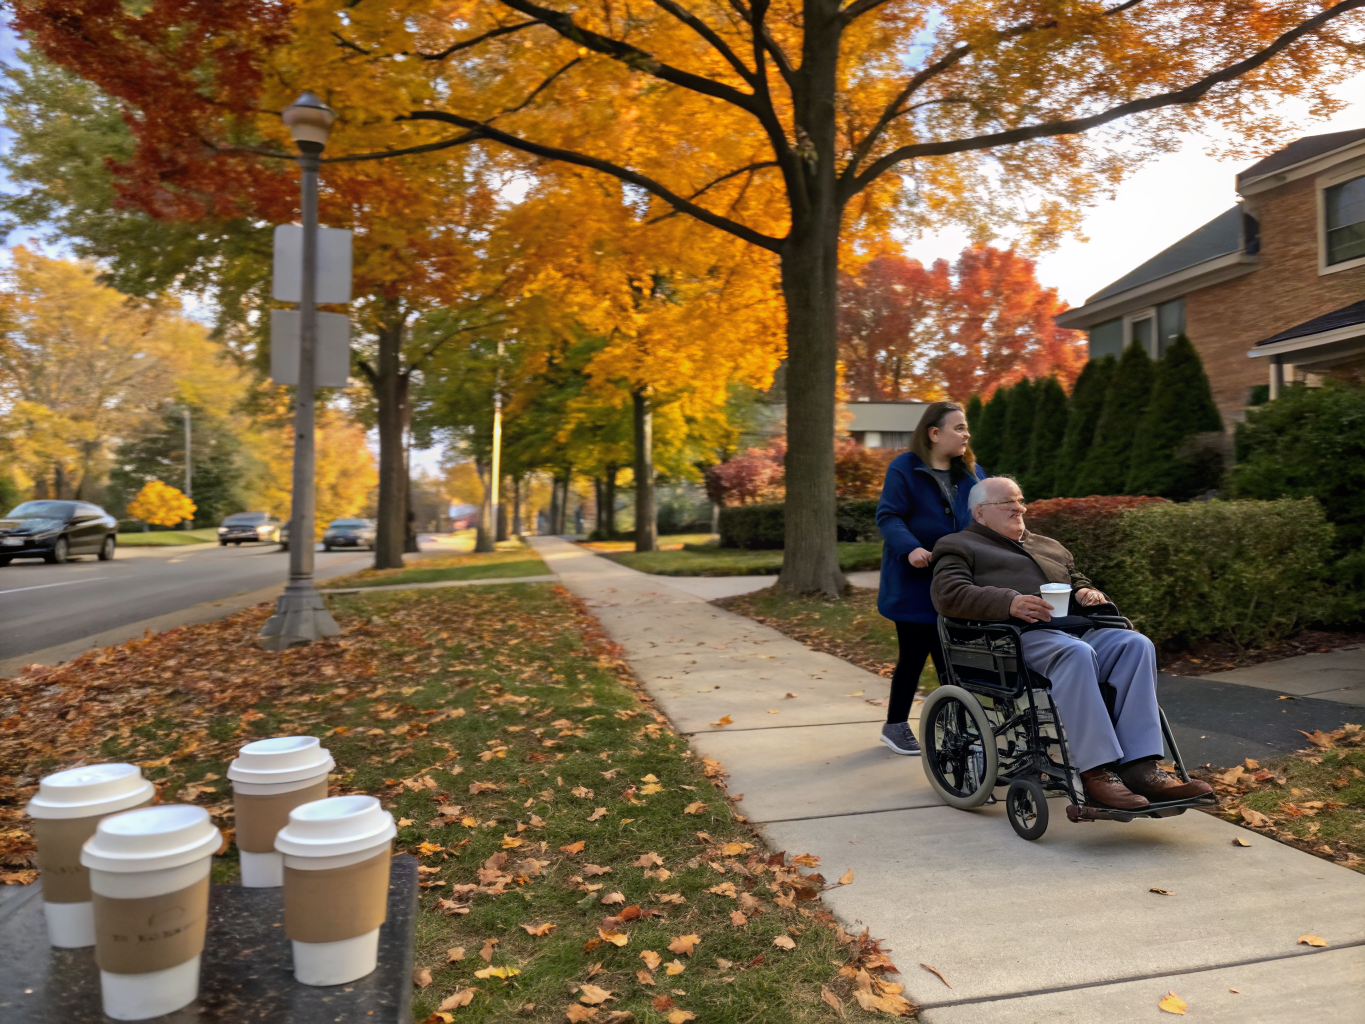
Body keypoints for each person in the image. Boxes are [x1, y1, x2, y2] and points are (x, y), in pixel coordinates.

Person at [929, 476, 1213, 810]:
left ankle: (1140, 768)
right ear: (980, 513)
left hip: (1074, 630)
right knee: (1076, 654)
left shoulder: (1049, 545)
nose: (1019, 508)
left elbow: (1076, 579)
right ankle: (1095, 774)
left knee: (1136, 645)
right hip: (1013, 640)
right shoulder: (958, 546)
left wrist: (1085, 592)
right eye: (1008, 503)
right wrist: (1009, 602)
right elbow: (949, 595)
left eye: (1020, 500)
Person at [874, 401, 987, 756]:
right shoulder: (905, 468)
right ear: (934, 433)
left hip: (957, 582)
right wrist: (911, 549)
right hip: (914, 582)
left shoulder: (972, 474)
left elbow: (985, 517)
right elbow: (889, 516)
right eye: (958, 428)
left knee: (952, 657)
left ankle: (959, 729)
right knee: (914, 654)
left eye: (966, 428)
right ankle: (895, 725)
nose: (966, 434)